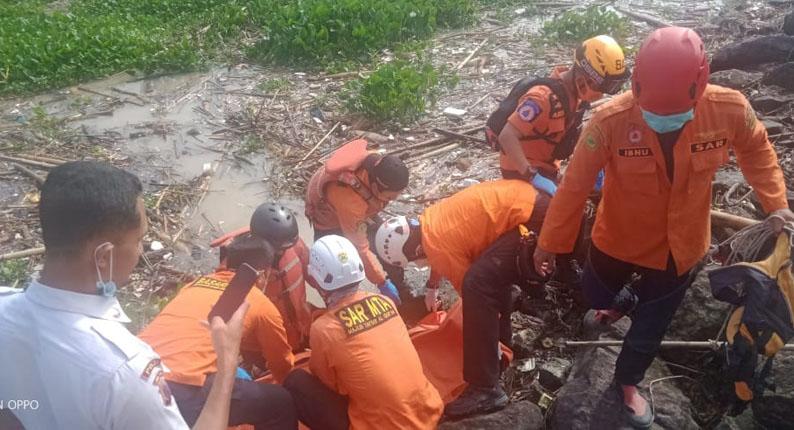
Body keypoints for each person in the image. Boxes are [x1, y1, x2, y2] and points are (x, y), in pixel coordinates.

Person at [532, 27, 794, 429]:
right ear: (636, 83)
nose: (664, 123)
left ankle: (628, 383)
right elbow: (573, 188)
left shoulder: (730, 109)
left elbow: (758, 151)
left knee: (652, 324)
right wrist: (548, 244)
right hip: (618, 236)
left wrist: (777, 206)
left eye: (674, 114)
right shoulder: (608, 121)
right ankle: (623, 300)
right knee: (595, 293)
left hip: (682, 243)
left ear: (700, 84)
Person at [0, 161, 245, 430]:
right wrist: (228, 362)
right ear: (103, 256)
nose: (140, 252)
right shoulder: (124, 373)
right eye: (139, 240)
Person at [374, 179, 550, 418]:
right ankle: (503, 342)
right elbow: (441, 252)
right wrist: (432, 286)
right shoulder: (431, 222)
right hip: (531, 202)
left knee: (478, 286)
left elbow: (474, 296)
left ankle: (485, 387)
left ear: (413, 251)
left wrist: (485, 340)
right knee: (490, 274)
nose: (419, 263)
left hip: (535, 217)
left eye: (415, 260)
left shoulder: (435, 245)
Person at [283, 235, 443, 430]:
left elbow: (331, 386)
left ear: (316, 280)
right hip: (430, 412)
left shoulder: (323, 329)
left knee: (295, 380)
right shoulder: (385, 302)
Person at [139, 233, 297, 430]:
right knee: (280, 403)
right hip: (182, 389)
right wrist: (291, 385)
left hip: (138, 373)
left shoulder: (194, 284)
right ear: (263, 274)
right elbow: (281, 364)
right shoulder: (259, 302)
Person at [492, 35, 628, 195]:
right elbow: (506, 136)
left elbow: (569, 133)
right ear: (585, 77)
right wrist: (532, 175)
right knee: (557, 212)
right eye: (600, 87)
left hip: (547, 169)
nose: (601, 95)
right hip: (521, 173)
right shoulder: (542, 99)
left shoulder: (575, 98)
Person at [304, 138, 409, 305]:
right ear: (375, 187)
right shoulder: (350, 202)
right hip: (328, 218)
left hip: (362, 205)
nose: (393, 200)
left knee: (388, 244)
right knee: (336, 269)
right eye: (390, 197)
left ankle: (402, 291)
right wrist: (381, 282)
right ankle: (339, 306)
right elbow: (361, 248)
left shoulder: (378, 164)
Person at [212, 202, 313, 353]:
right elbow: (223, 318)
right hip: (263, 345)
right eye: (278, 249)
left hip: (300, 328)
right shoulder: (235, 268)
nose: (281, 253)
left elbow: (315, 275)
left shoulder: (294, 244)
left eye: (285, 248)